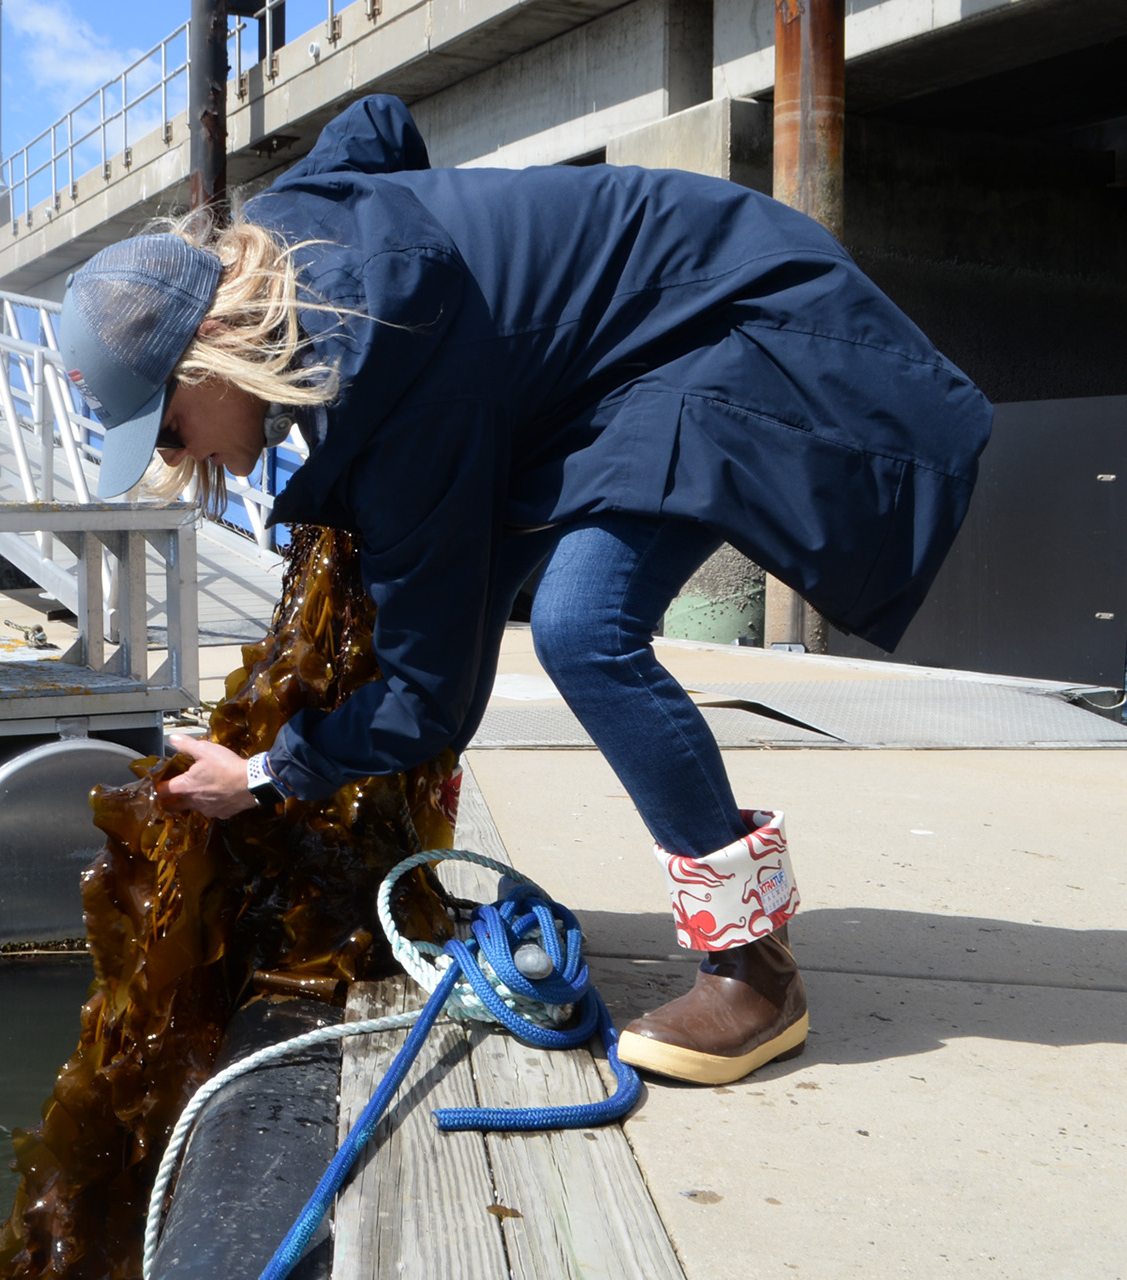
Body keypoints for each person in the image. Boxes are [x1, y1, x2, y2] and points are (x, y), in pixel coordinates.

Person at [55, 95, 991, 1086]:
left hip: (732, 324)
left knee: (584, 629)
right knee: (444, 600)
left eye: (164, 430)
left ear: (211, 357)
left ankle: (754, 970)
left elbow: (430, 698)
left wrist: (260, 776)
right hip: (635, 340)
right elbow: (375, 125)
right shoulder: (291, 230)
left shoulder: (392, 382)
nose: (178, 458)